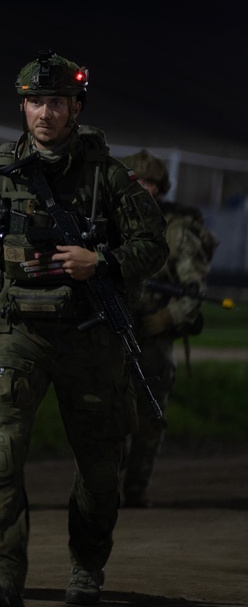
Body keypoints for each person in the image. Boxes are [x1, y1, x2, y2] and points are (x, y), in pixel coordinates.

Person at [0, 50, 168, 607]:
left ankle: (87, 566)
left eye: (56, 102)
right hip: (20, 332)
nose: (45, 113)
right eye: (35, 102)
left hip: (91, 336)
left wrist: (100, 261)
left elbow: (154, 245)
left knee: (101, 469)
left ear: (75, 108)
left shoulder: (108, 176)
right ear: (23, 107)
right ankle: (5, 573)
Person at [119, 149, 216, 509]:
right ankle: (103, 490)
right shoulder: (108, 222)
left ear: (162, 187)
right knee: (109, 415)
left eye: (151, 183)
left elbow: (195, 289)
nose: (144, 189)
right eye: (136, 181)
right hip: (114, 332)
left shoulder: (177, 230)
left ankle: (136, 487)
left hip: (153, 336)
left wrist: (169, 317)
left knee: (149, 418)